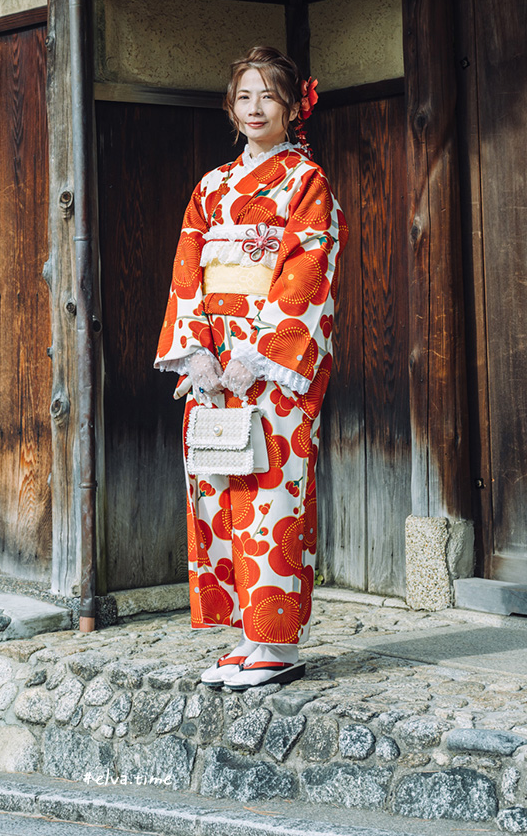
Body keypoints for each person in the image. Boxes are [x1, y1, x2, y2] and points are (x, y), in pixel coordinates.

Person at [154, 46, 347, 691]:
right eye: (244, 97)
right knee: (221, 497)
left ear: (294, 107)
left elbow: (305, 270)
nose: (255, 108)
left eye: (268, 96)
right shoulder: (210, 188)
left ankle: (279, 640)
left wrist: (256, 352)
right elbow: (190, 273)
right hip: (215, 369)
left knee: (272, 497)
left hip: (274, 368)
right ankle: (244, 633)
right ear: (231, 110)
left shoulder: (306, 183)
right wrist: (201, 351)